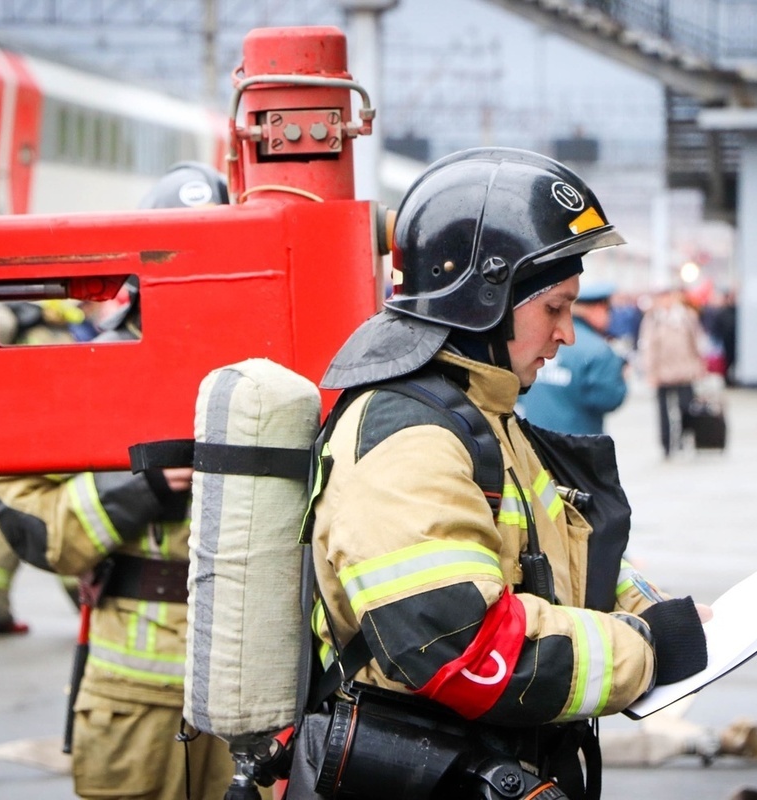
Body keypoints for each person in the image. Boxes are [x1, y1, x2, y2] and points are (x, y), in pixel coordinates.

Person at [304, 148, 709, 799]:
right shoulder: (409, 439)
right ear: (484, 298)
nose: (567, 334)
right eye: (554, 308)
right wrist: (648, 649)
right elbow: (465, 652)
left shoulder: (484, 415)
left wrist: (657, 610)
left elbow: (558, 556)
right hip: (438, 773)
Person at [0, 163, 250, 800]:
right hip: (134, 700)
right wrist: (140, 488)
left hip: (258, 690)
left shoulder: (278, 365)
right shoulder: (92, 369)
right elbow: (26, 521)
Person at [518, 280, 628, 434]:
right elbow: (609, 399)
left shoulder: (537, 341)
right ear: (597, 309)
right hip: (577, 445)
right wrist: (622, 377)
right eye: (608, 310)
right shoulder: (599, 350)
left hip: (534, 441)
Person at [637, 286, 706, 459]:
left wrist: (700, 366)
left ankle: (684, 438)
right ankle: (666, 445)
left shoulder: (687, 316)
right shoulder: (653, 319)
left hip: (684, 369)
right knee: (663, 411)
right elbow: (648, 347)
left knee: (687, 407)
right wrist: (650, 372)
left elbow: (697, 342)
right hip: (662, 371)